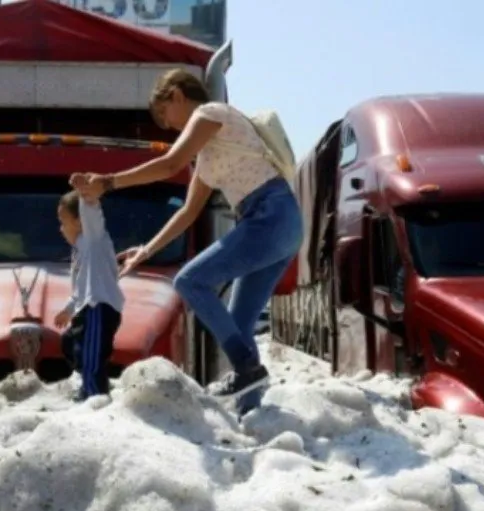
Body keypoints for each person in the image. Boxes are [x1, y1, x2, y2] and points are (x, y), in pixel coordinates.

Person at [69, 68, 303, 410]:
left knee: (190, 281)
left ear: (177, 94)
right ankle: (250, 411)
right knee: (238, 323)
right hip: (280, 224)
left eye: (167, 115)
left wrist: (108, 182)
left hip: (269, 215)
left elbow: (169, 164)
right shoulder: (209, 157)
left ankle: (247, 368)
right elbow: (187, 213)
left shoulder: (211, 112)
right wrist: (146, 250)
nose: (172, 128)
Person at [54, 189, 125, 401]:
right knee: (70, 344)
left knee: (91, 355)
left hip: (99, 307)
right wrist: (68, 309)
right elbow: (79, 289)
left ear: (79, 221)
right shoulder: (79, 251)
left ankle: (93, 394)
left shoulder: (93, 240)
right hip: (86, 308)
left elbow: (92, 213)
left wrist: (87, 193)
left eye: (63, 221)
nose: (61, 228)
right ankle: (89, 384)